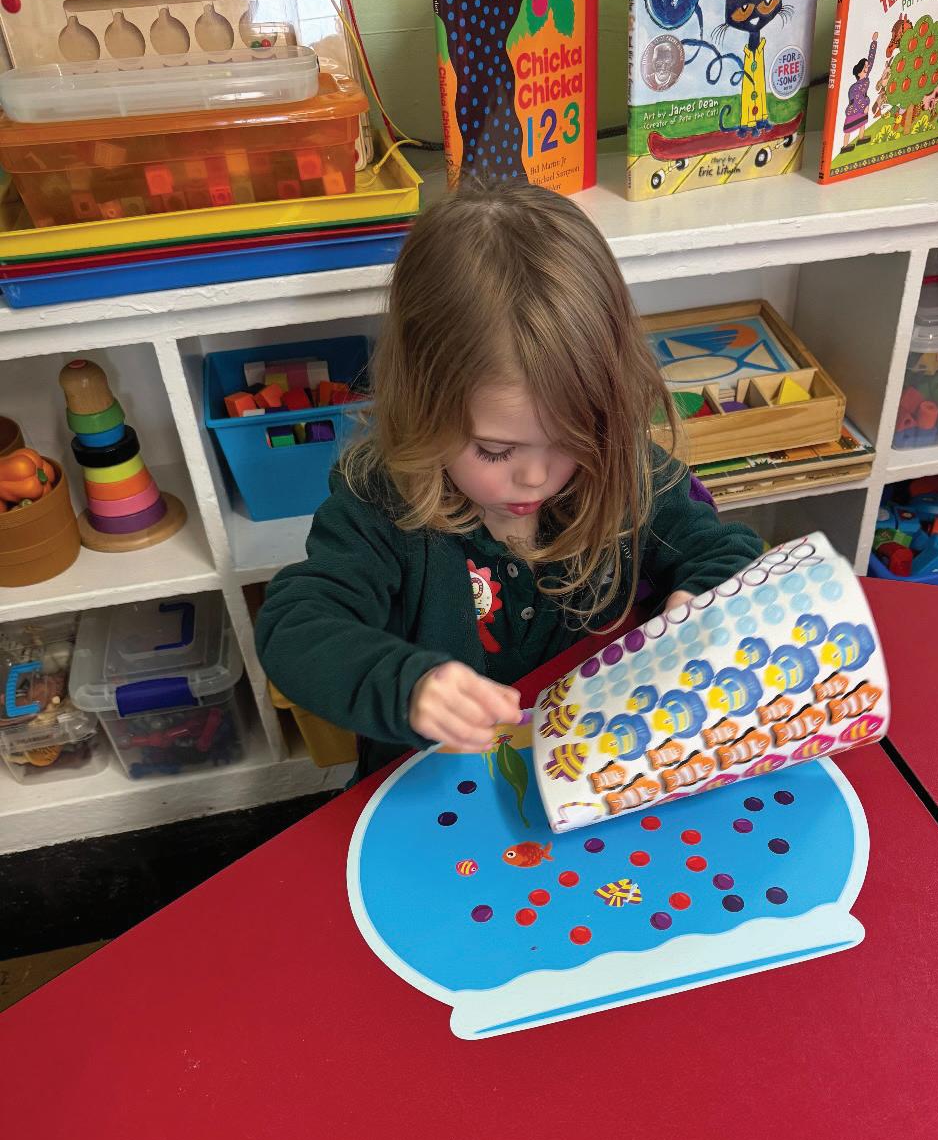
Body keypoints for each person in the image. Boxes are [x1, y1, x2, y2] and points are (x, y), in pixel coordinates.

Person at [256, 182, 763, 781]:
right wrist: (405, 686)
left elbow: (726, 552)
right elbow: (294, 626)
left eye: (574, 439)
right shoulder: (380, 504)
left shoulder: (622, 468)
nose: (536, 476)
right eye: (495, 450)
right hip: (435, 785)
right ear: (422, 408)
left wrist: (703, 600)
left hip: (591, 768)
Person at [841, 32, 879, 152]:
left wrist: (874, 42)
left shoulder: (865, 78)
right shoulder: (855, 87)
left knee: (863, 122)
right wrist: (865, 106)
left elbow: (871, 59)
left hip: (862, 106)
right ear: (859, 72)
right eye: (865, 68)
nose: (867, 68)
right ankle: (845, 146)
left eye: (867, 67)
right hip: (854, 109)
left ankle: (861, 137)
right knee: (848, 128)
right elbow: (857, 98)